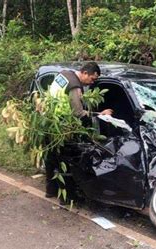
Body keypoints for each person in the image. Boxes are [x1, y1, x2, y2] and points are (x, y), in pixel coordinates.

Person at [45, 62, 113, 203]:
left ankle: (50, 190)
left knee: (50, 158)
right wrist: (100, 114)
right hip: (63, 127)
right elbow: (78, 112)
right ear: (85, 73)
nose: (92, 82)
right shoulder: (75, 86)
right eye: (92, 79)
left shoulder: (64, 74)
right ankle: (67, 197)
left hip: (49, 122)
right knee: (65, 161)